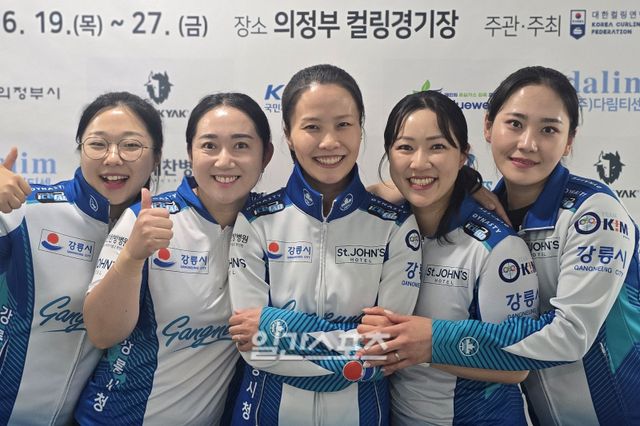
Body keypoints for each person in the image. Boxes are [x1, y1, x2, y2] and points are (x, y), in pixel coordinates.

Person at [361, 66, 640, 425]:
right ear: (489, 127)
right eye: (515, 124)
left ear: (569, 140)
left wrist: (433, 340)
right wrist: (446, 182)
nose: (528, 143)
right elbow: (411, 181)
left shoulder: (594, 212)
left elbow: (571, 335)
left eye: (549, 129)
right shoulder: (489, 207)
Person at [226, 64, 422, 425]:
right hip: (262, 412)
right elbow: (253, 349)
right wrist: (350, 347)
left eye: (343, 124)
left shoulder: (394, 225)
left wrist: (275, 326)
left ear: (361, 129)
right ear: (288, 134)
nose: (329, 142)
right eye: (312, 127)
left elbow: (383, 349)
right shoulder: (255, 220)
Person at [74, 92, 274, 425]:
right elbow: (101, 333)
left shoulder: (269, 224)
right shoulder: (147, 218)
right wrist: (132, 257)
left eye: (241, 145)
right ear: (190, 153)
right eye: (209, 146)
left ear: (265, 154)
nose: (224, 161)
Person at [359, 90, 538, 425]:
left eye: (438, 147)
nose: (419, 162)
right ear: (389, 155)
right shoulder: (382, 226)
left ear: (462, 156)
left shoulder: (497, 247)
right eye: (405, 147)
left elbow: (518, 365)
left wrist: (427, 345)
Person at [0, 91, 163, 425]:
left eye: (131, 145)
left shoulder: (162, 232)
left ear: (157, 157)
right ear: (80, 150)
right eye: (98, 144)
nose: (113, 158)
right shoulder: (26, 210)